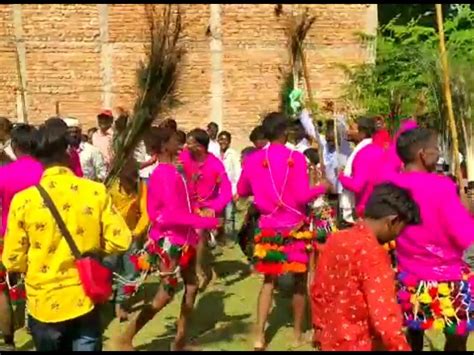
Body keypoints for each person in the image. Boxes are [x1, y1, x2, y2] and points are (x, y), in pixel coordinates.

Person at [2, 122, 131, 351]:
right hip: (85, 296)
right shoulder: (94, 191)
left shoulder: (24, 201)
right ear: (68, 154)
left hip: (44, 301)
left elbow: (12, 259)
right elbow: (121, 239)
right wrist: (92, 248)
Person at [113, 127, 219, 351]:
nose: (180, 143)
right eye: (174, 140)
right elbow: (168, 215)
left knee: (191, 285)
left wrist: (201, 211)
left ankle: (179, 341)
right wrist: (203, 222)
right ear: (163, 147)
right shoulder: (163, 174)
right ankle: (126, 337)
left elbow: (185, 203)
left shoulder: (175, 171)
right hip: (170, 242)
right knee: (165, 295)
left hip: (185, 239)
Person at [237, 112, 330, 350]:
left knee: (269, 281)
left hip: (269, 228)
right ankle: (298, 334)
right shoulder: (295, 158)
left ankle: (259, 336)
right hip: (295, 228)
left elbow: (243, 190)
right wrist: (321, 188)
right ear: (285, 132)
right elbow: (300, 196)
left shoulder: (253, 159)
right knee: (299, 281)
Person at [388, 127, 474, 351]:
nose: (438, 154)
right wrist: (467, 210)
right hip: (447, 277)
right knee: (457, 334)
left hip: (407, 274)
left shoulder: (391, 185)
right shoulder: (442, 186)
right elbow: (464, 236)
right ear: (422, 154)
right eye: (435, 149)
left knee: (414, 326)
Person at [311, 183, 420, 351]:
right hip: (361, 344)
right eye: (400, 229)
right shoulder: (373, 255)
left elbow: (318, 291)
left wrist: (319, 331)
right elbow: (385, 317)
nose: (398, 235)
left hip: (330, 340)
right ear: (392, 221)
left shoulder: (336, 240)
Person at [0, 124, 42, 350]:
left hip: (7, 237)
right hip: (42, 236)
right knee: (39, 286)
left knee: (1, 290)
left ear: (14, 146)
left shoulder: (3, 173)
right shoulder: (46, 171)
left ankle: (8, 341)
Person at [179, 128, 232, 290]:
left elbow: (227, 190)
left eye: (190, 143)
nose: (186, 146)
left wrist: (214, 208)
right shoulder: (185, 157)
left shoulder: (215, 163)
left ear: (201, 147)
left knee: (199, 231)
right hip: (188, 204)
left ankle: (199, 271)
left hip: (209, 207)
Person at [107, 157, 149, 321]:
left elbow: (146, 213)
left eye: (133, 177)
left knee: (130, 272)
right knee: (107, 268)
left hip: (131, 236)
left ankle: (120, 305)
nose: (130, 182)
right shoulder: (109, 188)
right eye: (127, 178)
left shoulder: (141, 187)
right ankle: (106, 296)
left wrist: (137, 232)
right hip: (111, 237)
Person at [338, 117, 384, 224]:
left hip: (366, 208)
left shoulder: (363, 153)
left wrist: (341, 177)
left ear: (362, 133)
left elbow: (357, 185)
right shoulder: (378, 149)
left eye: (351, 128)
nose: (348, 132)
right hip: (378, 204)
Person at [63, 117, 107, 182]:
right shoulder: (61, 153)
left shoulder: (92, 150)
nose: (73, 134)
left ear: (80, 132)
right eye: (70, 132)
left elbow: (102, 173)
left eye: (75, 131)